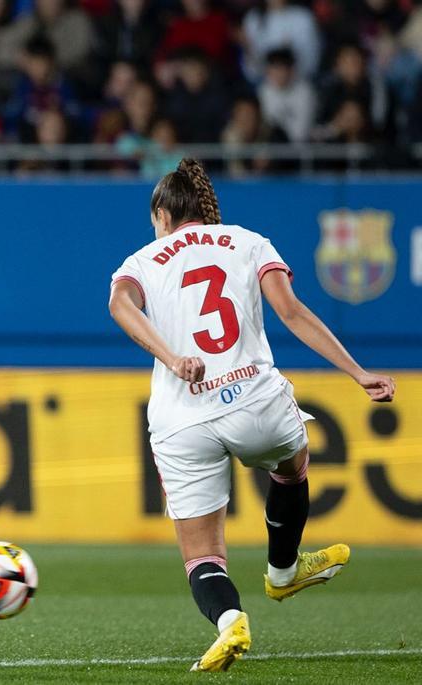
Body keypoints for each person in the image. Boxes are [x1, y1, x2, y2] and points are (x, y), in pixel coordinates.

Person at [107, 158, 395, 672]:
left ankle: (230, 622)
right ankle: (283, 570)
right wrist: (357, 372)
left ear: (163, 214)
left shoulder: (143, 259)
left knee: (202, 554)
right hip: (254, 401)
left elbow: (120, 305)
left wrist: (173, 359)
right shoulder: (247, 241)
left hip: (180, 419)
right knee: (292, 466)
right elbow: (292, 312)